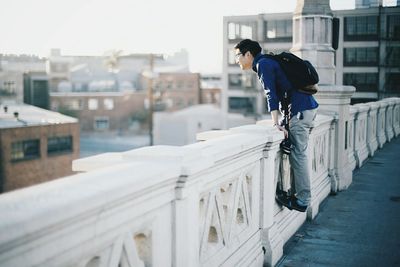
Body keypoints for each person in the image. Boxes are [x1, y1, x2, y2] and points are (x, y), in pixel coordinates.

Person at [234, 39, 318, 212]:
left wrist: (275, 123)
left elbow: (270, 93)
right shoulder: (269, 61)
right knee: (297, 153)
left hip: (300, 111)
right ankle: (296, 195)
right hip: (305, 109)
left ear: (248, 54)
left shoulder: (263, 64)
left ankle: (303, 200)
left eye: (238, 56)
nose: (237, 60)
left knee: (298, 154)